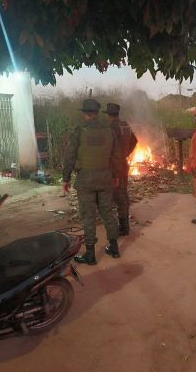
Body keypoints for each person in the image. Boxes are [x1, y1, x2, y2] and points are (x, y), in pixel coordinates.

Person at [62, 99, 122, 265]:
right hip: (105, 179)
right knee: (108, 213)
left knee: (88, 217)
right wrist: (116, 176)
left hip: (86, 181)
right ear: (97, 112)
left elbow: (70, 156)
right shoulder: (108, 130)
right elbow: (116, 156)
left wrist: (65, 178)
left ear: (84, 112)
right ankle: (114, 247)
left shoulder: (80, 130)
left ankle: (90, 254)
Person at [103, 103, 138, 236]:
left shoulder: (110, 128)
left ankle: (121, 228)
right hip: (123, 164)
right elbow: (135, 141)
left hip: (113, 166)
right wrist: (126, 153)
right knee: (123, 193)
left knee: (115, 196)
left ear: (108, 115)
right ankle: (124, 225)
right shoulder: (125, 125)